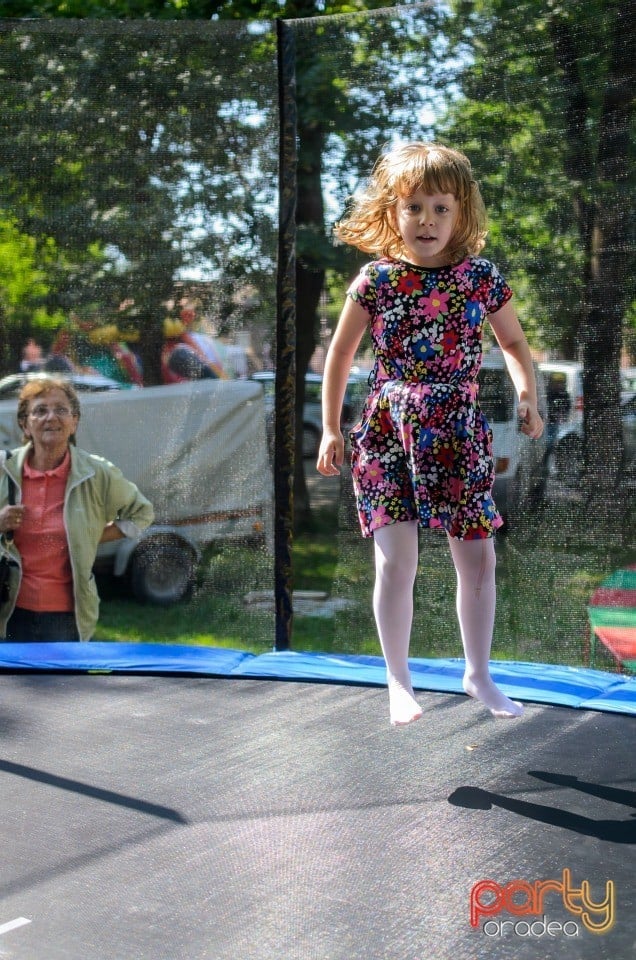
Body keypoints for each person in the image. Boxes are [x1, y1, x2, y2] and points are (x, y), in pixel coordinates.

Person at [317, 142, 544, 726]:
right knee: (396, 562)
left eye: (441, 208)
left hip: (457, 431)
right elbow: (340, 354)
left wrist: (526, 394)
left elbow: (514, 343)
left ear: (461, 213)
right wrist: (329, 426)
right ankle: (398, 679)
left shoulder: (478, 278)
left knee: (478, 558)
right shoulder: (378, 281)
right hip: (389, 431)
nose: (427, 221)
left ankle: (479, 674)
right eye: (414, 207)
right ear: (393, 212)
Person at [0, 376, 154, 642]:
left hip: (67, 618)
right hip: (8, 612)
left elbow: (142, 514)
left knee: (66, 685)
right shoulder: (4, 469)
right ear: (25, 425)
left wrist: (91, 535)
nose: (51, 417)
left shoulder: (96, 472)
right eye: (40, 410)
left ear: (74, 422)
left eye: (61, 410)